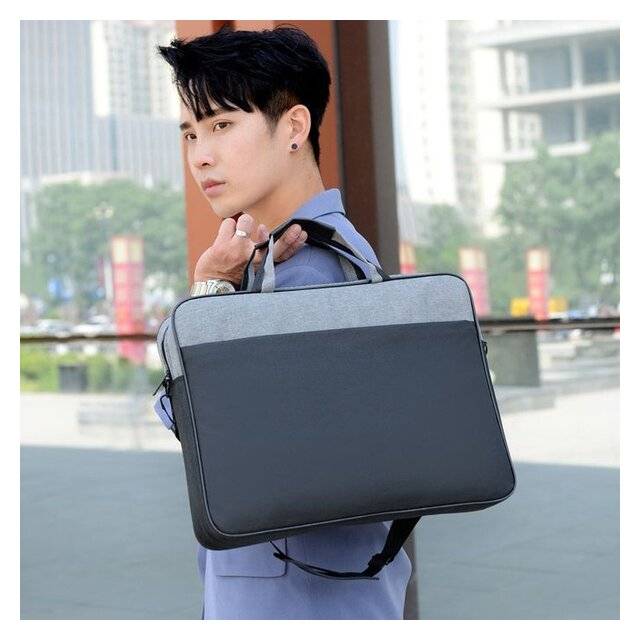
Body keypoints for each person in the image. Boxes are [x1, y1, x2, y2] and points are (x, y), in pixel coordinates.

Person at [154, 24, 412, 620]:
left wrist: (209, 290)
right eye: (190, 133)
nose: (200, 155)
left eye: (222, 125)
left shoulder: (306, 271)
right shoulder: (302, 257)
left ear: (294, 127)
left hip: (294, 600)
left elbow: (192, 419)